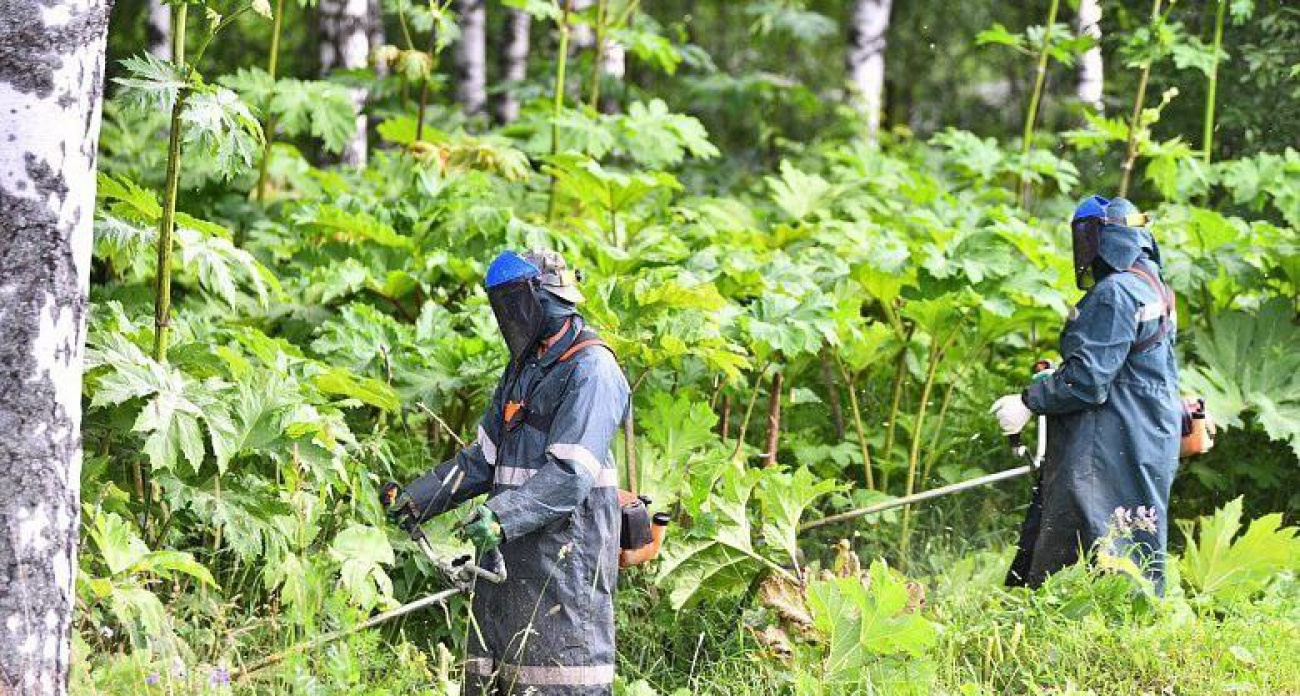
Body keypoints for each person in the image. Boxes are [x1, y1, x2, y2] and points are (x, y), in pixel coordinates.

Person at [386, 250, 629, 695]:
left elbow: (571, 474)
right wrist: (419, 499)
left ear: (544, 297)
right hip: (506, 562)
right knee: (493, 677)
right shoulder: (522, 368)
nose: (509, 317)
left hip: (563, 563)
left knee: (557, 680)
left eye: (513, 303)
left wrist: (501, 518)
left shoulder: (592, 369)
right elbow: (483, 459)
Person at [991, 196, 1181, 592]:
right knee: (1135, 546)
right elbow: (1125, 367)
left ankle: (1054, 619)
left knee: (1083, 552)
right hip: (1144, 434)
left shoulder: (1115, 293)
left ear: (1103, 238)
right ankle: (1127, 620)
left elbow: (1089, 380)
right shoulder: (1154, 288)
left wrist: (1028, 402)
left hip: (1109, 444)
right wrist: (1056, 377)